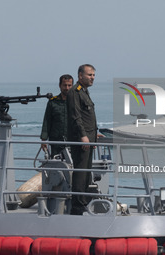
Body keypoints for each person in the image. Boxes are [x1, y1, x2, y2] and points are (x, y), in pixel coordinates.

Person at [67, 64, 97, 215]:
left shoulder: (85, 92)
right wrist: (83, 136)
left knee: (86, 171)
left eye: (93, 75)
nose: (92, 77)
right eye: (89, 75)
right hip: (82, 140)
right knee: (80, 171)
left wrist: (94, 135)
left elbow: (87, 117)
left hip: (89, 138)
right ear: (80, 76)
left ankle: (83, 201)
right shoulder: (75, 92)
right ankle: (77, 206)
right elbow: (76, 116)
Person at [40, 74, 73, 157]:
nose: (67, 88)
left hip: (72, 141)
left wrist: (93, 134)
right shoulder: (53, 102)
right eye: (64, 85)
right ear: (60, 85)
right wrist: (43, 140)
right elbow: (47, 121)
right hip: (56, 142)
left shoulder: (77, 102)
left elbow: (85, 120)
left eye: (69, 85)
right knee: (56, 165)